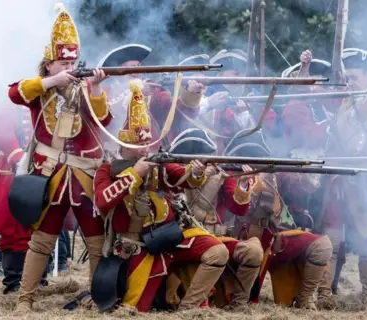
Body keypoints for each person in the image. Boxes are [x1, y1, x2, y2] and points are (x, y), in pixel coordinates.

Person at [7, 4, 111, 311]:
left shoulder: (86, 87)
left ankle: (94, 297)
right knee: (41, 241)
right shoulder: (41, 88)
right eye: (63, 62)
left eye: (73, 61)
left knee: (95, 242)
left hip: (83, 177)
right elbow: (15, 93)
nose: (69, 66)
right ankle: (24, 301)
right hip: (50, 176)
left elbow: (103, 121)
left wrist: (96, 90)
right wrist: (54, 82)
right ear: (49, 64)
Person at [93, 80, 229, 311]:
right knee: (135, 308)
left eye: (147, 142)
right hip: (138, 245)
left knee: (218, 251)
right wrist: (134, 175)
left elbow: (185, 177)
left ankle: (189, 309)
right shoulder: (108, 169)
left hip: (171, 236)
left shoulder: (158, 164)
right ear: (124, 144)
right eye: (139, 143)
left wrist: (195, 171)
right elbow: (103, 201)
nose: (146, 149)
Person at [317, 48, 367, 308]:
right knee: (331, 235)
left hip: (366, 185)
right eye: (347, 76)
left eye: (354, 76)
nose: (349, 81)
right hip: (339, 181)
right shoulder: (344, 101)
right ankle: (324, 294)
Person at [226, 129, 332, 309]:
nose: (251, 161)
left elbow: (298, 187)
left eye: (256, 156)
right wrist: (245, 182)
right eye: (247, 156)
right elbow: (233, 205)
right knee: (248, 292)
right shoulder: (230, 175)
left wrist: (308, 176)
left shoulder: (274, 174)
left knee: (322, 245)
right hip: (241, 238)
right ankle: (238, 303)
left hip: (272, 239)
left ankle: (304, 300)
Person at [166, 128, 262, 308]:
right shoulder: (171, 173)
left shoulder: (220, 174)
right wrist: (196, 175)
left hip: (214, 236)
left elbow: (238, 208)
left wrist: (242, 182)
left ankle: (238, 306)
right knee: (216, 250)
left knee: (253, 252)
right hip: (184, 237)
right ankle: (189, 309)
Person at [0, 106, 50, 293]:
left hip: (44, 170)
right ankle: (14, 282)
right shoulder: (11, 104)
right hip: (13, 173)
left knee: (43, 227)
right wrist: (20, 159)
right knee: (14, 229)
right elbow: (3, 132)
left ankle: (39, 280)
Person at [97, 43, 152, 155]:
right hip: (113, 151)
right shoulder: (104, 92)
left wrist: (192, 91)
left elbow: (171, 107)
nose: (137, 72)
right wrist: (133, 92)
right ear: (119, 71)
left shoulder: (150, 89)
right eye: (132, 68)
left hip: (148, 150)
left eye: (139, 67)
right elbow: (103, 116)